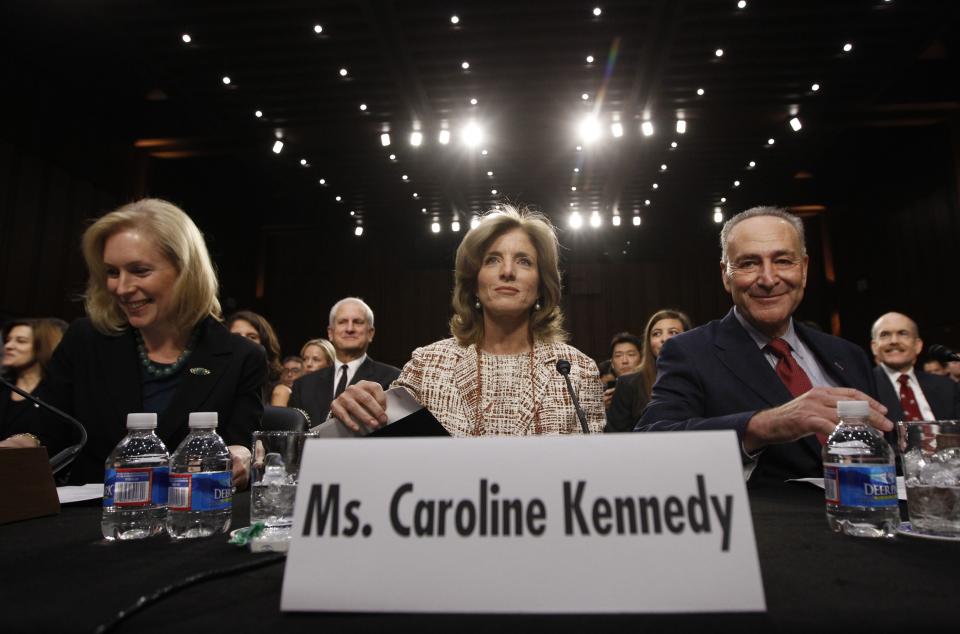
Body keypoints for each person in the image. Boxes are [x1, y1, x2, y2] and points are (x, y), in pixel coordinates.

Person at [0, 199, 265, 487]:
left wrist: (241, 456)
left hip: (191, 519)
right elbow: (49, 432)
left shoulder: (242, 356)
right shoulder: (84, 340)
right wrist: (26, 443)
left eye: (140, 271)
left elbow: (241, 444)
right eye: (112, 272)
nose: (122, 288)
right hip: (88, 522)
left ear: (186, 272)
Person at [637, 206, 891, 484]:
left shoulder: (847, 354)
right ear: (726, 275)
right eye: (748, 263)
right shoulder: (690, 352)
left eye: (783, 261)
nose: (768, 279)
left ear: (804, 269)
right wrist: (766, 425)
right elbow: (652, 441)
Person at [330, 205, 605, 435]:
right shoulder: (428, 366)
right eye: (492, 260)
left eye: (524, 261)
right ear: (473, 283)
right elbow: (386, 446)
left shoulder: (578, 372)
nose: (507, 271)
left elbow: (594, 474)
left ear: (542, 285)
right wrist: (359, 405)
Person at [288, 299, 400, 423]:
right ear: (330, 333)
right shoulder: (302, 385)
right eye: (342, 322)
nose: (350, 328)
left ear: (370, 333)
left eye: (358, 322)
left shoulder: (394, 378)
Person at [606, 309, 691, 432]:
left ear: (688, 336)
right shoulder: (629, 383)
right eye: (656, 334)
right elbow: (616, 436)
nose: (664, 338)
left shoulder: (702, 376)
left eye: (673, 332)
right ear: (649, 342)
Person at [869, 312, 960, 421]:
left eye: (903, 333)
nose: (894, 341)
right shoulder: (864, 387)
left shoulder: (947, 387)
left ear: (918, 345)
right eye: (885, 334)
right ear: (874, 347)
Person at [0, 318, 67, 441]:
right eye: (7, 340)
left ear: (42, 347)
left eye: (21, 341)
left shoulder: (57, 394)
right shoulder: (3, 387)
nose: (8, 346)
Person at [227, 310, 283, 403]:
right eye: (236, 336)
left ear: (265, 343)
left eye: (252, 337)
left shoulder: (278, 391)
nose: (244, 341)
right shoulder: (216, 380)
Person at [602, 332, 643, 409]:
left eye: (631, 354)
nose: (625, 361)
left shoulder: (652, 388)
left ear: (641, 359)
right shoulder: (602, 394)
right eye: (618, 355)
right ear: (612, 363)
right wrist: (602, 410)